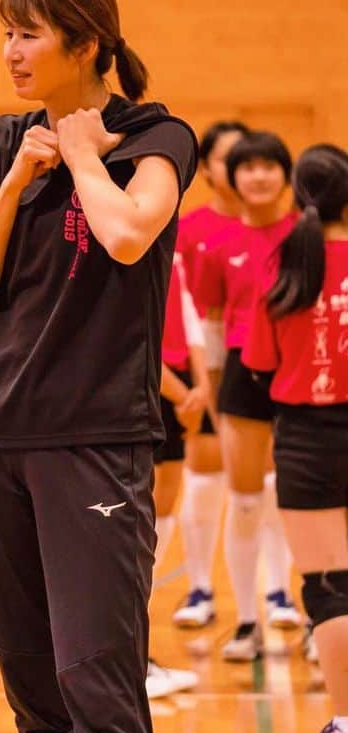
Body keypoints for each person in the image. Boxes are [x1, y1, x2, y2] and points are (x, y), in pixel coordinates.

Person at [0, 0, 197, 733]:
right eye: (6, 32)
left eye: (29, 33)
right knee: (34, 694)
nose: (11, 52)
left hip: (96, 444)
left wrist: (85, 155)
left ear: (86, 43)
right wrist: (17, 177)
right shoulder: (9, 146)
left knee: (99, 682)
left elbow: (127, 234)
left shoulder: (155, 137)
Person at [243, 143, 348, 733]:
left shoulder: (283, 263)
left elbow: (258, 365)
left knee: (332, 588)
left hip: (309, 437)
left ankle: (345, 727)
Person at [191, 131, 302, 661]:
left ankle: (308, 614)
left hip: (298, 371)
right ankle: (247, 621)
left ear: (286, 174)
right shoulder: (220, 245)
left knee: (305, 502)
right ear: (230, 177)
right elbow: (211, 326)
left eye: (269, 165)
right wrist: (213, 394)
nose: (258, 175)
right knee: (247, 500)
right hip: (240, 374)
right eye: (247, 166)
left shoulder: (306, 238)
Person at [171, 121, 248, 628]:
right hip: (201, 359)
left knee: (261, 483)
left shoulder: (280, 227)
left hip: (255, 361)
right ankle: (200, 586)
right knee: (202, 476)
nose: (242, 169)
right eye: (229, 158)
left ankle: (274, 598)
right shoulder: (189, 228)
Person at [145, 255, 206, 699]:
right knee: (131, 517)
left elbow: (188, 313)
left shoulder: (173, 249)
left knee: (162, 508)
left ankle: (135, 648)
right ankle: (128, 656)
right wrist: (184, 393)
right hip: (145, 383)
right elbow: (127, 336)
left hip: (180, 385)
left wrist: (201, 386)